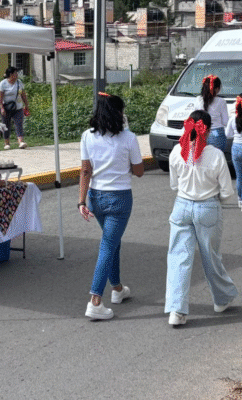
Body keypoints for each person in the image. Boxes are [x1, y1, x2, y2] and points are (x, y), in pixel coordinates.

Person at [165, 110, 238, 327]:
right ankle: (222, 298)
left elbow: (174, 184)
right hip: (208, 207)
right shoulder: (215, 155)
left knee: (178, 258)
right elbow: (226, 192)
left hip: (181, 207)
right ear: (207, 129)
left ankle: (176, 311)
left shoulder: (177, 151)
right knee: (211, 256)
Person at [78, 93, 144, 321]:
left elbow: (85, 171)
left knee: (112, 242)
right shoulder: (129, 138)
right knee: (108, 245)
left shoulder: (87, 136)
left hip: (96, 197)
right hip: (120, 199)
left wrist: (81, 201)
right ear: (119, 114)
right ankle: (95, 300)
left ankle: (116, 288)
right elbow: (139, 171)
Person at [195, 74, 229, 152]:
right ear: (216, 89)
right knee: (216, 159)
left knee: (202, 159)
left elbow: (195, 117)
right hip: (217, 133)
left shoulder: (198, 100)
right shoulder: (221, 101)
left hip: (201, 133)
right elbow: (225, 121)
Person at [0, 66, 29, 150]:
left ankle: (20, 142)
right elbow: (0, 98)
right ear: (11, 74)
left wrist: (26, 105)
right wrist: (2, 108)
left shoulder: (19, 83)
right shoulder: (3, 83)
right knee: (6, 125)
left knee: (19, 123)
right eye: (15, 73)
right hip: (6, 108)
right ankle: (6, 143)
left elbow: (23, 94)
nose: (17, 74)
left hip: (18, 108)